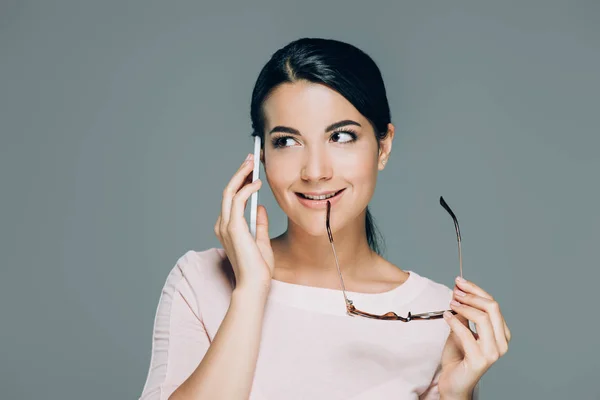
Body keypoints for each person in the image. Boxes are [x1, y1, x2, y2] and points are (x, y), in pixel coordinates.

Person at [139, 37, 511, 400]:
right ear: (261, 155)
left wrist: (455, 396)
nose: (315, 171)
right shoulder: (200, 282)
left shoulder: (439, 318)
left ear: (383, 146)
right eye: (286, 141)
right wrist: (250, 292)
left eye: (342, 136)